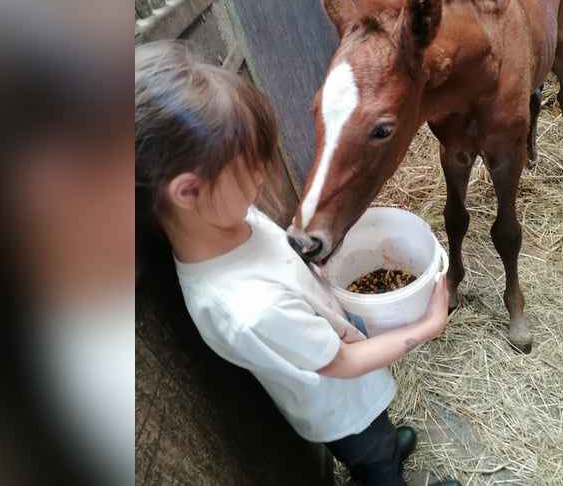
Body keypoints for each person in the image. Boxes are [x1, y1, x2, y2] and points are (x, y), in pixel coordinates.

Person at [135, 40, 461, 486]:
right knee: (374, 456)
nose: (261, 177)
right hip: (341, 408)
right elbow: (344, 363)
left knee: (379, 441)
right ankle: (383, 470)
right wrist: (428, 326)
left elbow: (280, 258)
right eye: (248, 168)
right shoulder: (248, 310)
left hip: (348, 380)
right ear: (188, 191)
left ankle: (383, 452)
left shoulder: (228, 220)